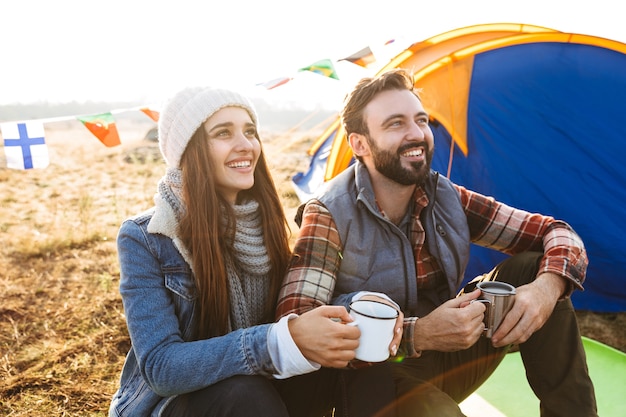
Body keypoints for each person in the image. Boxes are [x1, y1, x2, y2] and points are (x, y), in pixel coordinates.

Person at [276, 68, 598, 416]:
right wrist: (420, 334)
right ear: (360, 144)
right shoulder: (329, 213)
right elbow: (301, 325)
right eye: (395, 124)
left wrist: (547, 288)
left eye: (421, 120)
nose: (416, 134)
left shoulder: (445, 196)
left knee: (536, 267)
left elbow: (558, 232)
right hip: (369, 383)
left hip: (447, 354)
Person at [108, 86, 396, 417]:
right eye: (223, 133)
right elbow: (162, 368)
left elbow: (299, 304)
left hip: (261, 389)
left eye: (249, 131)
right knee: (245, 393)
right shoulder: (146, 238)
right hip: (177, 405)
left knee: (361, 364)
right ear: (191, 150)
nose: (246, 145)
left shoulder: (267, 224)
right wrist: (273, 342)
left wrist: (356, 306)